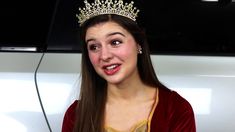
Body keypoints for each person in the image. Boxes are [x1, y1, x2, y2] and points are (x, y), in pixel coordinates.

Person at [62, 0, 196, 131]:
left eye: (115, 42)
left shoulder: (175, 109)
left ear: (139, 44)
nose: (104, 56)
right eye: (94, 46)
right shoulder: (75, 115)